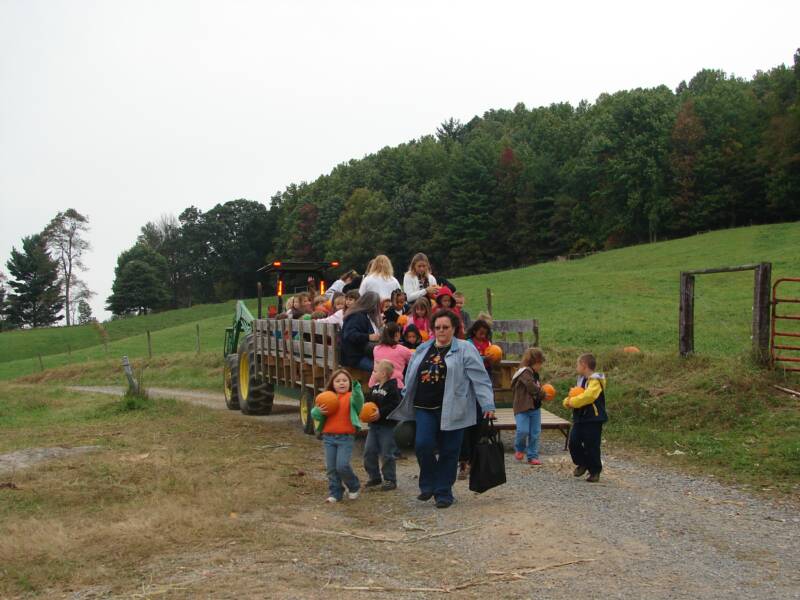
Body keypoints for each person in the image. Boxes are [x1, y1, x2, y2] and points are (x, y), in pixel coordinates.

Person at [389, 309, 496, 509]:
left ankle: (443, 492)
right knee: (422, 445)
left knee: (449, 450)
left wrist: (487, 403)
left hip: (455, 407)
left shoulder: (465, 349)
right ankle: (428, 483)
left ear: (454, 328)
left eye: (445, 327)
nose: (441, 331)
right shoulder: (422, 349)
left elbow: (480, 379)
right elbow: (411, 372)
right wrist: (405, 394)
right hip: (424, 406)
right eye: (437, 327)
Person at [310, 369, 364, 503]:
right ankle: (335, 492)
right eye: (338, 381)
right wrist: (317, 411)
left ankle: (353, 486)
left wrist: (357, 387)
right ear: (332, 384)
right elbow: (315, 413)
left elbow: (359, 402)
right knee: (331, 468)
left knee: (342, 466)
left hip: (346, 437)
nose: (341, 383)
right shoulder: (328, 397)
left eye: (345, 381)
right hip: (329, 437)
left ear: (349, 383)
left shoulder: (352, 397)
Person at [562, 353, 608, 483]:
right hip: (580, 417)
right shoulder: (581, 379)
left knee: (592, 445)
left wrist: (572, 402)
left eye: (577, 365)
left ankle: (595, 471)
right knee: (573, 442)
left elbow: (588, 397)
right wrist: (567, 400)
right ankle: (582, 463)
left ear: (584, 365)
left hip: (593, 418)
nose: (576, 367)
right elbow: (575, 393)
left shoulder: (595, 381)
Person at [363, 360, 402, 491]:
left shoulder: (392, 388)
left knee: (387, 453)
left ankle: (390, 480)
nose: (373, 373)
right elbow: (369, 403)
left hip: (386, 426)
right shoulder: (375, 388)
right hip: (373, 426)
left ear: (383, 373)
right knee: (369, 451)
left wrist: (381, 412)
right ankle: (374, 477)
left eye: (375, 371)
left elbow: (394, 405)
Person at [512, 348, 546, 466]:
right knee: (523, 430)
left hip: (535, 408)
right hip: (522, 408)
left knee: (535, 432)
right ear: (533, 361)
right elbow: (531, 386)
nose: (540, 366)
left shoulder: (535, 374)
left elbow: (537, 386)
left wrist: (541, 395)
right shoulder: (524, 372)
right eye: (539, 363)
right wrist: (543, 393)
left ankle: (532, 455)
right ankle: (520, 448)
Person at [340, 291, 382, 372]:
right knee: (382, 370)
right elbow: (349, 335)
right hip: (355, 357)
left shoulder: (362, 315)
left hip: (358, 354)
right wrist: (369, 337)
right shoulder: (357, 316)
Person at [369, 322, 414, 389]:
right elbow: (415, 362)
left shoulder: (376, 349)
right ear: (397, 335)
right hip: (394, 386)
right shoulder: (402, 350)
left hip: (374, 384)